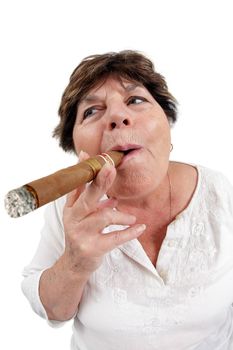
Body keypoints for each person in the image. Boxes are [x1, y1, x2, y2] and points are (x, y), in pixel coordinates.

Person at [22, 50, 233, 350]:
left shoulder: (219, 191)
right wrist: (75, 263)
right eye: (91, 111)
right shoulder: (71, 207)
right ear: (76, 149)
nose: (117, 117)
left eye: (135, 100)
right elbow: (54, 311)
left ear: (167, 121)